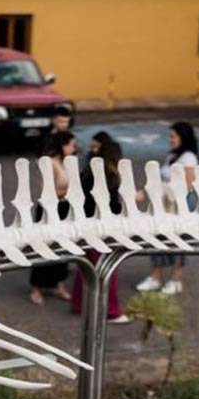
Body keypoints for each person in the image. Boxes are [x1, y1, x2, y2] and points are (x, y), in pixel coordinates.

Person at [135, 122, 199, 295]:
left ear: (183, 138)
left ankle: (176, 278)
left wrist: (162, 191)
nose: (170, 140)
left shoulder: (188, 158)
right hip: (165, 202)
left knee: (179, 239)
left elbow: (188, 184)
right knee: (159, 237)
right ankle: (156, 276)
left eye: (173, 136)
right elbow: (162, 179)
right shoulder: (173, 155)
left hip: (182, 203)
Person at [72, 131, 129, 322]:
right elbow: (112, 205)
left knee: (87, 266)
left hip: (84, 223)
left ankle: (79, 303)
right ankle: (111, 311)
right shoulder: (110, 176)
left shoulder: (88, 171)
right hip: (102, 227)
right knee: (106, 268)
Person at [29, 130, 76, 305]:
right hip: (50, 209)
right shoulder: (49, 163)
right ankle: (37, 287)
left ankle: (59, 284)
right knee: (44, 248)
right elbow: (45, 191)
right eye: (71, 144)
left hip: (65, 208)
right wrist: (67, 191)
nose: (73, 148)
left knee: (62, 249)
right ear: (63, 145)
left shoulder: (67, 163)